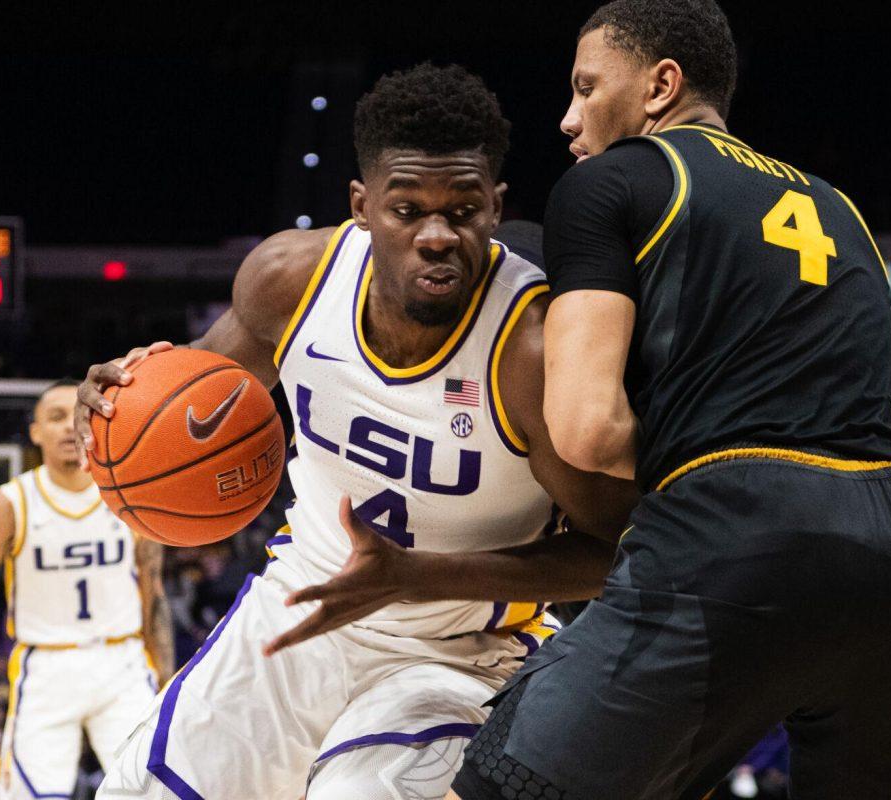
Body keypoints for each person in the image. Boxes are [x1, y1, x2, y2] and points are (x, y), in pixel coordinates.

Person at [80, 63, 636, 800]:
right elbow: (177, 410)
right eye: (407, 210)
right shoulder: (289, 280)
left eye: (462, 210)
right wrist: (112, 403)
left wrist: (415, 577)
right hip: (296, 613)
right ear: (362, 205)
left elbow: (616, 556)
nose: (436, 236)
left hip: (454, 655)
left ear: (494, 208)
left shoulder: (529, 350)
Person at [450, 2, 891, 799]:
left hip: (734, 527)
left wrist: (698, 464)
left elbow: (585, 429)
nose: (569, 119)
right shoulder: (840, 207)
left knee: (498, 785)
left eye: (587, 88)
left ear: (661, 86)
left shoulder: (608, 181)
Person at [0, 379, 173, 800]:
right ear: (35, 432)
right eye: (54, 418)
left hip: (123, 665)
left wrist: (168, 677)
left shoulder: (126, 493)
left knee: (155, 792)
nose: (66, 428)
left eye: (75, 416)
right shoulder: (9, 503)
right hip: (45, 669)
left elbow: (152, 590)